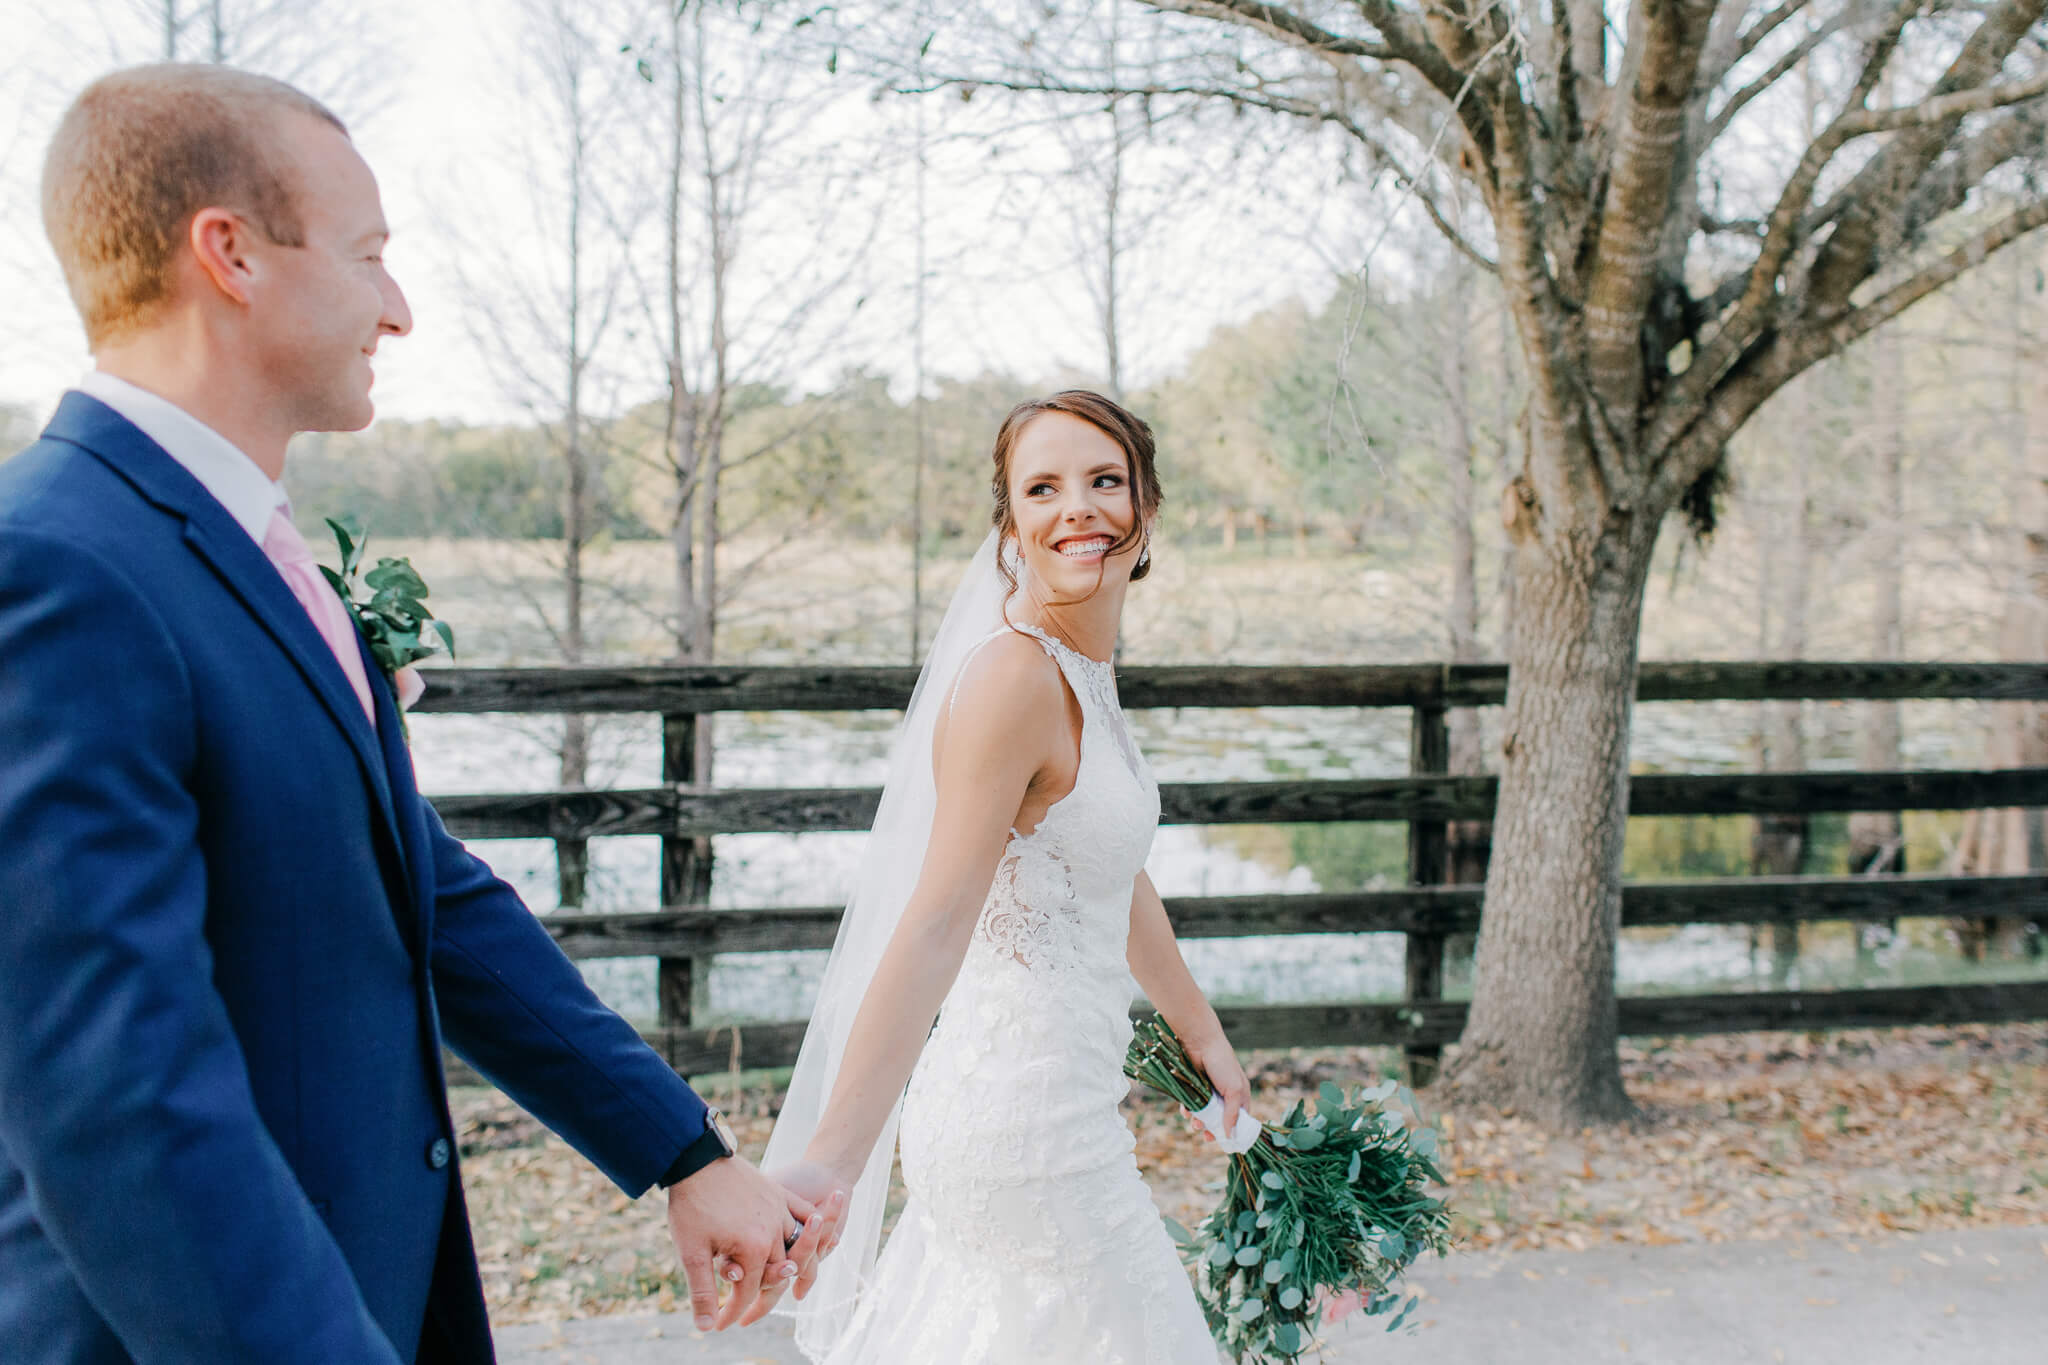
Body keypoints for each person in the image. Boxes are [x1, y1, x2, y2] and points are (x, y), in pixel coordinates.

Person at [0, 64, 843, 1364]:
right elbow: (118, 1096)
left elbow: (415, 891)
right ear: (227, 253)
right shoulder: (60, 567)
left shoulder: (243, 552)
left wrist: (680, 1145)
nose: (396, 307)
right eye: (369, 254)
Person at [764, 392, 1248, 1363]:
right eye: (1044, 488)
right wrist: (831, 1164)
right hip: (1023, 1131)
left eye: (1103, 481)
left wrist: (1202, 1036)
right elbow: (933, 924)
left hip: (1058, 1107)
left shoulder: (1076, 666)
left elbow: (1110, 873)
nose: (1078, 507)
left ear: (1145, 507)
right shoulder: (1012, 679)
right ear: (1010, 528)